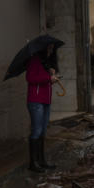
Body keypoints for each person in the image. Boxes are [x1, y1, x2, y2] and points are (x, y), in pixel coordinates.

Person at [25, 43, 59, 172]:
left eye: (52, 48)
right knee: (36, 130)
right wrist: (48, 78)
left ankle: (41, 161)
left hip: (45, 100)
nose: (51, 50)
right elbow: (30, 78)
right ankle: (33, 163)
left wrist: (51, 74)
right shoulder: (34, 60)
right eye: (49, 48)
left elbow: (45, 80)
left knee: (43, 130)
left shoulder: (46, 63)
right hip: (35, 101)